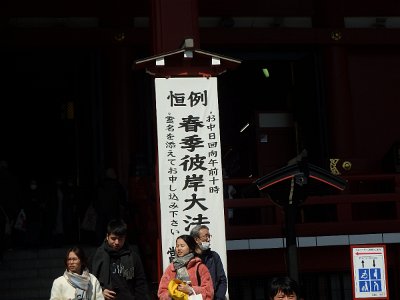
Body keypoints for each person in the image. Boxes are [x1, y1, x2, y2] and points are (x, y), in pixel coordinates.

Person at [91, 219, 149, 300]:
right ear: (107, 237)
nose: (117, 242)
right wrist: (101, 291)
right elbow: (92, 280)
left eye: (120, 239)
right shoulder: (99, 255)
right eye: (113, 238)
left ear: (125, 238)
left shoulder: (132, 256)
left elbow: (140, 283)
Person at [158, 234, 214, 300]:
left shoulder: (200, 267)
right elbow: (161, 292)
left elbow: (209, 293)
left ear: (190, 248)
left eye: (182, 246)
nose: (179, 248)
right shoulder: (171, 268)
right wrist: (173, 293)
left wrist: (191, 290)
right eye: (177, 246)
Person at [190, 225, 227, 300]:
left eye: (209, 236)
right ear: (196, 239)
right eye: (205, 236)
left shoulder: (214, 256)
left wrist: (218, 298)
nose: (208, 239)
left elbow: (222, 280)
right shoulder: (188, 258)